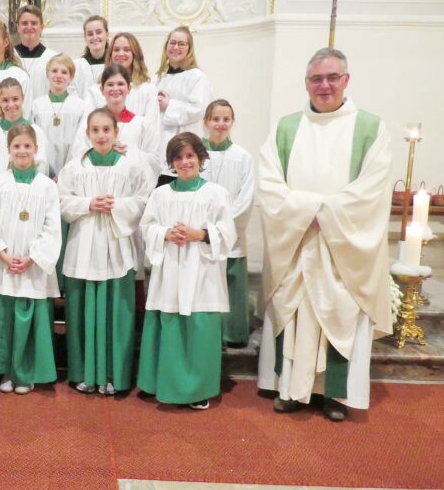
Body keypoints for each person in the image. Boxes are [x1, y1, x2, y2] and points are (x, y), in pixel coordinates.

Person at [256, 48, 392, 421]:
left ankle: (334, 394)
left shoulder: (370, 128)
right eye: (316, 78)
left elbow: (373, 189)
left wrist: (317, 211)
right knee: (294, 312)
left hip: (342, 247)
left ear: (346, 80)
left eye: (333, 77)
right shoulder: (285, 128)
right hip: (297, 243)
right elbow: (268, 184)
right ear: (306, 83)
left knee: (339, 312)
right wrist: (309, 213)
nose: (325, 85)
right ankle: (289, 390)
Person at [137, 132, 236, 410]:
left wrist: (199, 234)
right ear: (171, 162)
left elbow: (228, 233)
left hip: (202, 272)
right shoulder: (160, 194)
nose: (185, 162)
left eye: (190, 156)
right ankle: (163, 383)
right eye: (178, 157)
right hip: (170, 269)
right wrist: (165, 233)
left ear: (201, 158)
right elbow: (146, 227)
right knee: (168, 323)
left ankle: (197, 390)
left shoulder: (216, 193)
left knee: (199, 328)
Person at [58, 108, 150, 395]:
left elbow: (143, 201)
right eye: (95, 130)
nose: (101, 135)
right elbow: (60, 202)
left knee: (116, 313)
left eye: (106, 130)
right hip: (83, 246)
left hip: (116, 245)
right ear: (87, 134)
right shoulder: (74, 168)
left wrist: (116, 205)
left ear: (116, 132)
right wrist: (87, 204)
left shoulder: (131, 167)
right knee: (82, 313)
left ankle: (113, 375)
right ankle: (84, 373)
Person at [0, 123, 61, 395]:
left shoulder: (47, 187)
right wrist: (2, 254)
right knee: (3, 320)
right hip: (4, 265)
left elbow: (52, 228)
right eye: (16, 146)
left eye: (27, 146)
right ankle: (6, 370)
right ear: (8, 149)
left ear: (36, 149)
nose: (22, 151)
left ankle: (26, 372)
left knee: (29, 320)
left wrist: (32, 258)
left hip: (32, 266)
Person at [199, 99, 254, 348]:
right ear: (206, 122)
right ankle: (208, 334)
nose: (220, 124)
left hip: (230, 233)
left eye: (226, 119)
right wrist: (204, 229)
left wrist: (221, 229)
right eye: (215, 119)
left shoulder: (242, 157)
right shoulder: (195, 154)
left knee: (231, 281)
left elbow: (246, 198)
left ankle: (232, 334)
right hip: (200, 233)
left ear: (232, 122)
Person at [152, 26, 213, 186]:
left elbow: (199, 110)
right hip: (160, 147)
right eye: (172, 43)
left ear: (189, 48)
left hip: (186, 147)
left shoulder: (197, 77)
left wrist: (169, 105)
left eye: (181, 44)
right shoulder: (157, 78)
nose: (176, 47)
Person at [86, 33, 159, 133]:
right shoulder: (95, 91)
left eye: (126, 49)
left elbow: (152, 128)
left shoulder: (148, 90)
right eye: (116, 50)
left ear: (135, 54)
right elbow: (87, 127)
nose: (120, 54)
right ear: (110, 55)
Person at [0, 77, 48, 182]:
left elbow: (41, 167)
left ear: (23, 98)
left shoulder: (36, 132)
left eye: (15, 99)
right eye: (5, 100)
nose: (11, 105)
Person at [31, 54, 86, 179]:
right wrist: (47, 170)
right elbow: (35, 140)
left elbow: (80, 141)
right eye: (54, 71)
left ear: (71, 77)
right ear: (47, 74)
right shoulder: (37, 106)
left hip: (71, 169)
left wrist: (69, 169)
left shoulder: (79, 106)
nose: (59, 75)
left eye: (64, 72)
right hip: (43, 171)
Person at [15, 5, 58, 102]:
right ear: (18, 27)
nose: (29, 27)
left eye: (34, 23)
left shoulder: (53, 58)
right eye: (24, 23)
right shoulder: (10, 56)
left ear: (42, 27)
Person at [71, 15, 108, 100]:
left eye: (99, 32)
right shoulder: (76, 66)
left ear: (107, 34)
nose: (95, 37)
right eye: (90, 34)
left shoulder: (116, 65)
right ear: (85, 37)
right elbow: (72, 97)